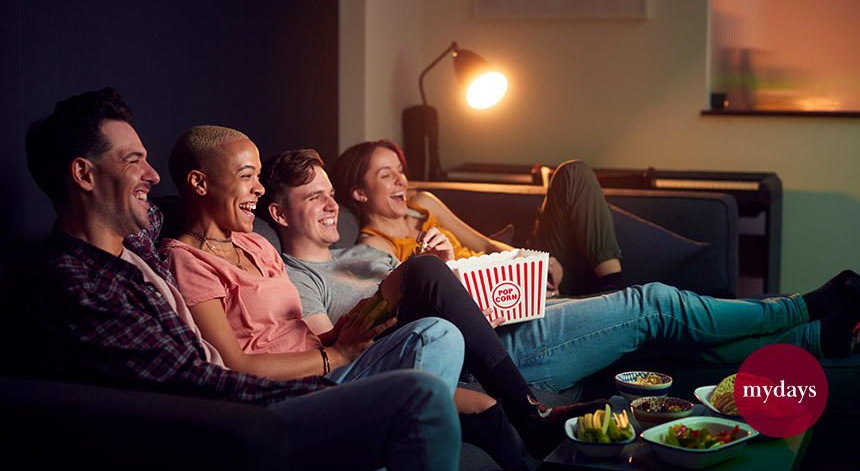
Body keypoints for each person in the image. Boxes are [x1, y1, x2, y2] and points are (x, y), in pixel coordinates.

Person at [23, 88, 461, 471]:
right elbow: (194, 382)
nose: (151, 175)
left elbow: (184, 204)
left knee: (435, 340)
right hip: (231, 422)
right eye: (134, 161)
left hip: (280, 388)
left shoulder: (135, 236)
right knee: (418, 393)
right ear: (83, 174)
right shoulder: (77, 284)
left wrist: (226, 199)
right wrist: (334, 372)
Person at [164, 127, 614, 467]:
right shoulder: (187, 260)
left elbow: (303, 334)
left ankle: (524, 420)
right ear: (200, 184)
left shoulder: (257, 245)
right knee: (438, 324)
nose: (258, 189)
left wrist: (350, 329)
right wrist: (337, 355)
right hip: (299, 389)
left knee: (435, 313)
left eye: (259, 177)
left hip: (332, 361)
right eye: (247, 177)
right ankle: (527, 415)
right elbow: (233, 365)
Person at [261, 148, 860, 394]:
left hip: (506, 321)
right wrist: (424, 277)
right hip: (488, 355)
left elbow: (475, 265)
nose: (329, 203)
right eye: (316, 196)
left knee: (655, 341)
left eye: (327, 193)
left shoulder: (368, 249)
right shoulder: (309, 274)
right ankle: (800, 309)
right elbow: (334, 355)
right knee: (653, 305)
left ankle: (812, 338)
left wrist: (455, 256)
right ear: (278, 211)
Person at [333, 139, 623, 296]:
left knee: (573, 173)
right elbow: (427, 300)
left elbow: (485, 246)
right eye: (386, 175)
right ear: (359, 193)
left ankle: (613, 285)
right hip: (497, 299)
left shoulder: (423, 205)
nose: (401, 181)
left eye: (400, 170)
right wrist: (520, 288)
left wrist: (532, 261)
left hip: (524, 275)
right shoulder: (376, 247)